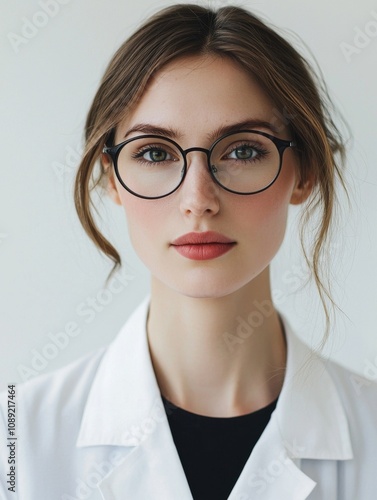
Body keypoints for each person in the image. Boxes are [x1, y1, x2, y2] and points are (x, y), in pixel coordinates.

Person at [1, 4, 376, 499]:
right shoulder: (16, 437)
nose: (198, 200)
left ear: (303, 172)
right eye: (154, 153)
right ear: (111, 177)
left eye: (243, 150)